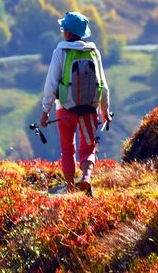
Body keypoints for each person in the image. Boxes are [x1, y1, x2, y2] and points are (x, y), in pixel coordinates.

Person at [39, 11, 111, 195]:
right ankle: (86, 176)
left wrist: (46, 110)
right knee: (88, 147)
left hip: (65, 110)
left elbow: (51, 83)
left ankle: (71, 189)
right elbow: (102, 83)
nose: (62, 31)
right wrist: (105, 110)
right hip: (89, 109)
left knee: (67, 149)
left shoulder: (60, 52)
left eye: (64, 28)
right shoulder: (93, 52)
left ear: (69, 33)